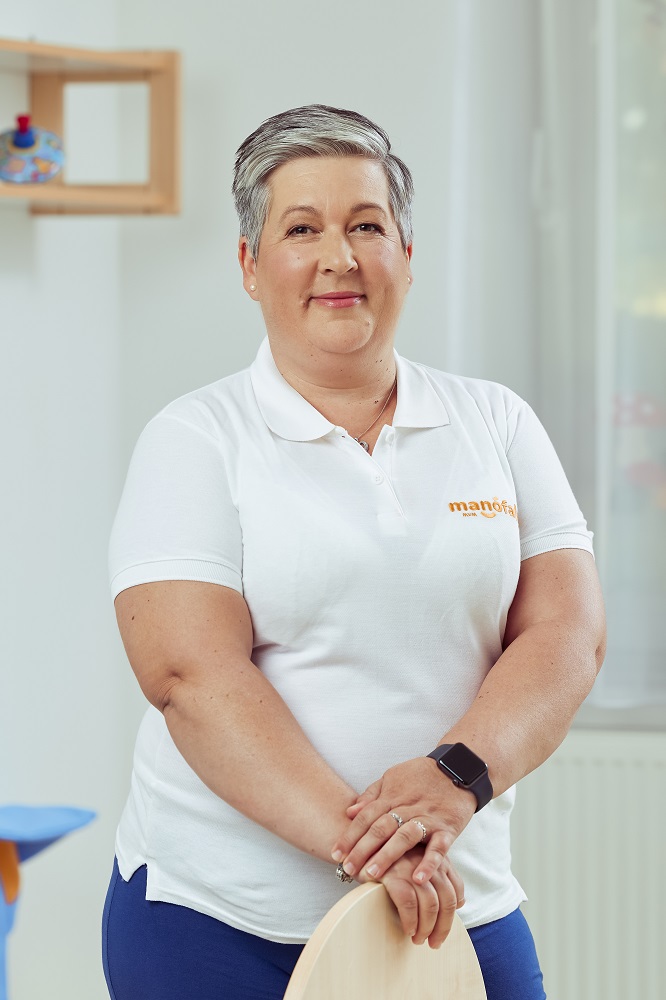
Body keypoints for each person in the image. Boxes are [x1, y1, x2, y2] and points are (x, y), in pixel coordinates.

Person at [102, 105, 606, 1000]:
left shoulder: (496, 423)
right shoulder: (196, 439)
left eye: (367, 226)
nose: (339, 257)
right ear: (250, 265)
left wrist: (455, 778)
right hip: (222, 921)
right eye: (302, 230)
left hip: (452, 910)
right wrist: (376, 846)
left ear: (407, 255)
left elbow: (568, 633)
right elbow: (189, 675)